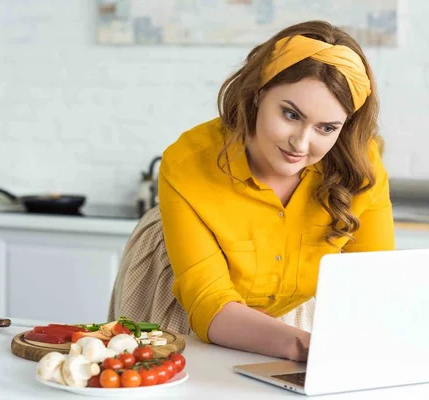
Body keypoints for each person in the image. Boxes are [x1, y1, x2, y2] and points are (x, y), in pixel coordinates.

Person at [108, 20, 394, 362]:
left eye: (326, 127)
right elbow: (209, 304)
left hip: (293, 315)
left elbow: (375, 282)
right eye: (290, 114)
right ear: (259, 93)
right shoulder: (188, 163)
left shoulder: (360, 166)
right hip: (185, 301)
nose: (301, 143)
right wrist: (306, 347)